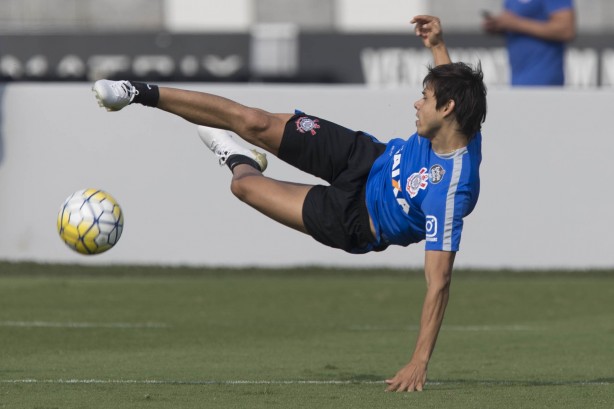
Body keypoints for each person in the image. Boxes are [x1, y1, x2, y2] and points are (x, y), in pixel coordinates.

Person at [92, 15, 487, 392]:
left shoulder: (450, 190)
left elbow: (439, 282)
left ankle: (235, 157)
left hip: (354, 220)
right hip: (364, 157)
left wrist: (419, 361)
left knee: (245, 188)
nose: (417, 105)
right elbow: (453, 88)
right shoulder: (457, 118)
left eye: (425, 98)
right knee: (255, 122)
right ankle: (133, 91)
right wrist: (438, 46)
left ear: (447, 109)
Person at [482, 0, 576, 86]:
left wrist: (515, 23)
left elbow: (566, 30)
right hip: (517, 78)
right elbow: (515, 25)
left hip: (544, 78)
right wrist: (499, 26)